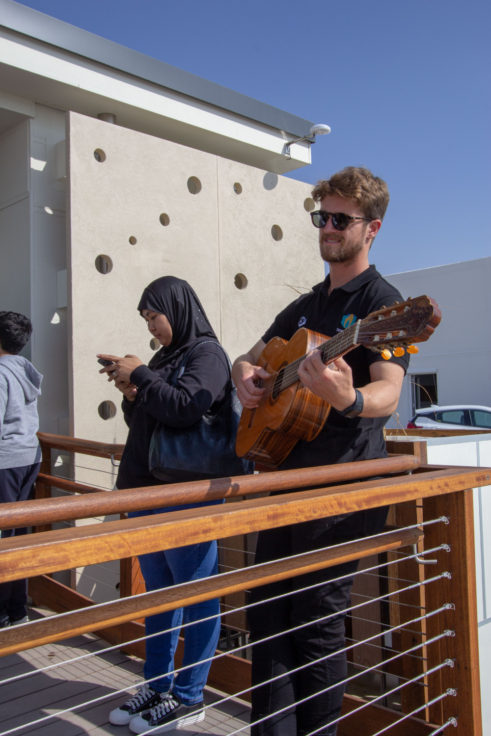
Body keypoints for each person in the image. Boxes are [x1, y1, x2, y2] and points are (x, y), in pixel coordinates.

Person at [232, 166, 410, 736]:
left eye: (341, 219)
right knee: (267, 612)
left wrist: (348, 397)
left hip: (340, 487)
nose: (327, 227)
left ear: (372, 228)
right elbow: (251, 356)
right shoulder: (305, 305)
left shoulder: (386, 305)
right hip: (283, 479)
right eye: (322, 217)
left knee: (318, 621)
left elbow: (389, 390)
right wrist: (246, 376)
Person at [98, 276, 233, 735]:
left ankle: (190, 697)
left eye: (154, 315)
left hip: (185, 495)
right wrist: (132, 394)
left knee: (195, 596)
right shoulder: (163, 359)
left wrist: (141, 376)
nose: (151, 326)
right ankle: (158, 685)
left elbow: (185, 410)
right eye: (146, 319)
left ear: (177, 309)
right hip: (149, 489)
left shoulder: (208, 355)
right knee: (159, 594)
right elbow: (153, 417)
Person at [0, 311, 42, 628]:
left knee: (4, 535)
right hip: (29, 457)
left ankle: (3, 611)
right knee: (18, 532)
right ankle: (17, 608)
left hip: (5, 460)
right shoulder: (24, 370)